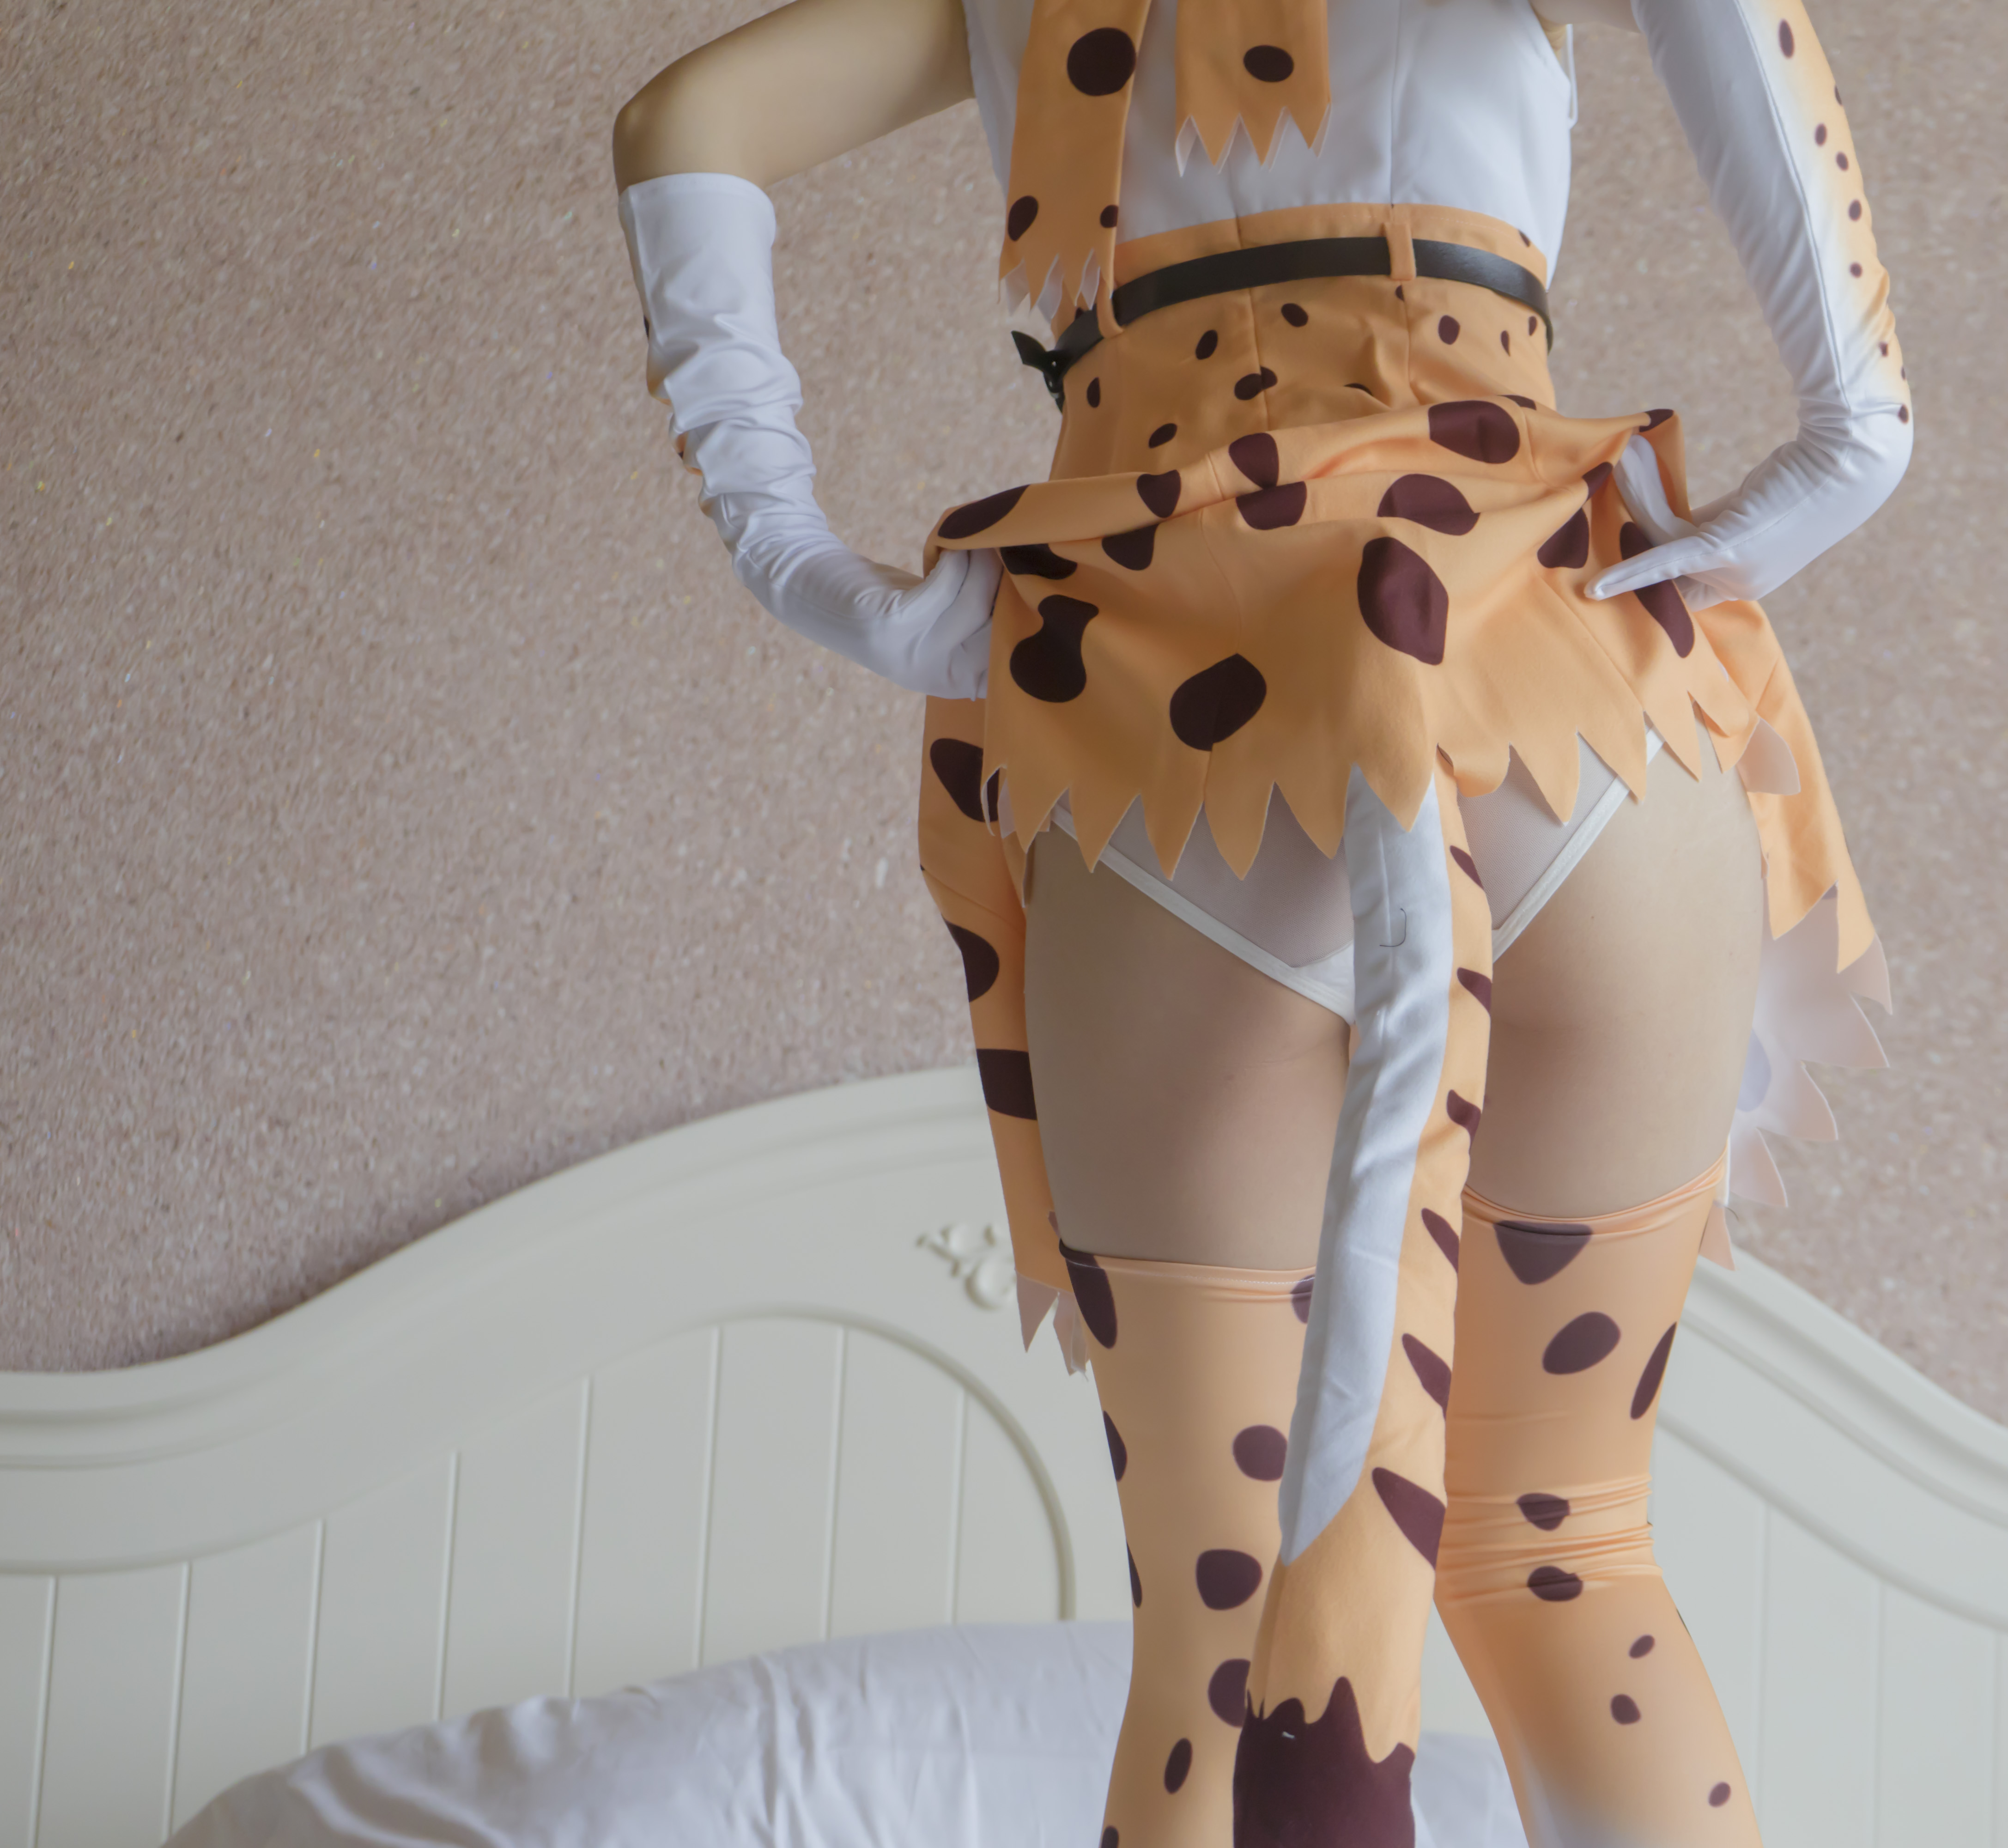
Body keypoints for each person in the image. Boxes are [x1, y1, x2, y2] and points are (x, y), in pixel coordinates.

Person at [613, 0, 1908, 1835]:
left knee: (1218, 1633)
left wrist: (798, 556)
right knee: (1565, 1549)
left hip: (1181, 705)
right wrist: (1861, 418)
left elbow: (690, 117)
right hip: (1571, 688)